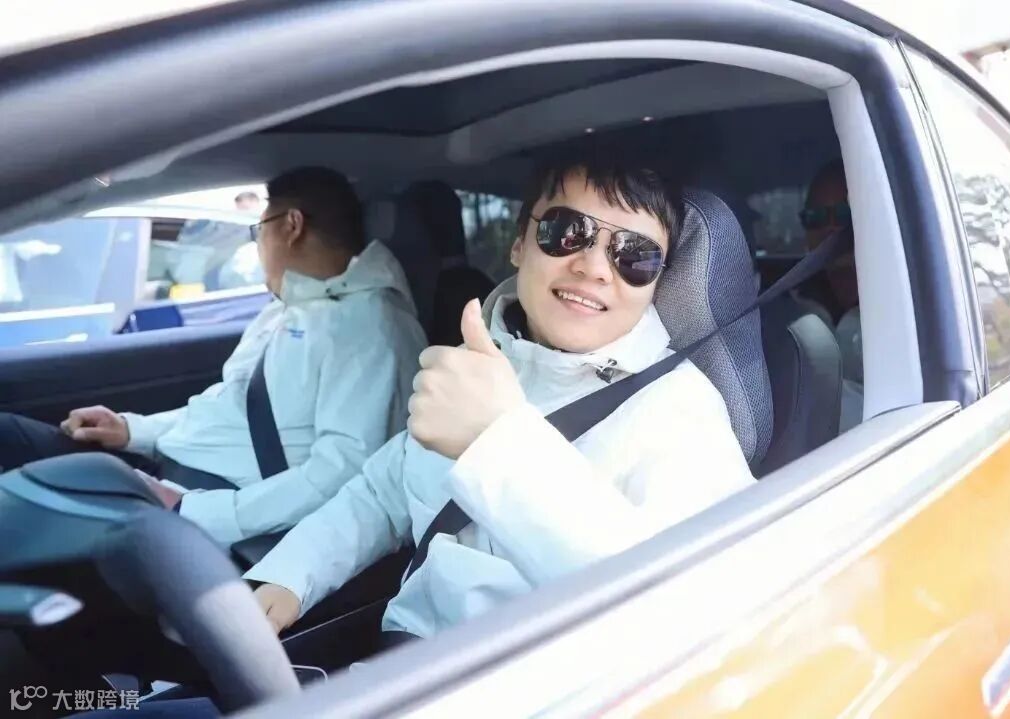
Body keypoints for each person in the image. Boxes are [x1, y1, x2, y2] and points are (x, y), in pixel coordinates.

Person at [74, 152, 756, 718]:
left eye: (635, 255)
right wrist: (289, 575)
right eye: (567, 232)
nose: (596, 267)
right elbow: (382, 489)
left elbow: (687, 612)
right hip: (401, 660)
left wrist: (499, 444)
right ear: (520, 242)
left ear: (657, 281)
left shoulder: (679, 413)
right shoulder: (484, 359)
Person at [0, 166, 428, 547]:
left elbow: (341, 472)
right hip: (175, 475)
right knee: (9, 435)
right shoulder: (289, 308)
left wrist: (199, 512)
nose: (258, 245)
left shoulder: (369, 327)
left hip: (216, 508)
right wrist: (131, 430)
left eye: (259, 229)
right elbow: (227, 404)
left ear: (291, 225)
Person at [795, 158, 862, 430]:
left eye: (844, 215)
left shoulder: (903, 304)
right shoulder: (788, 309)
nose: (830, 228)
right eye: (816, 218)